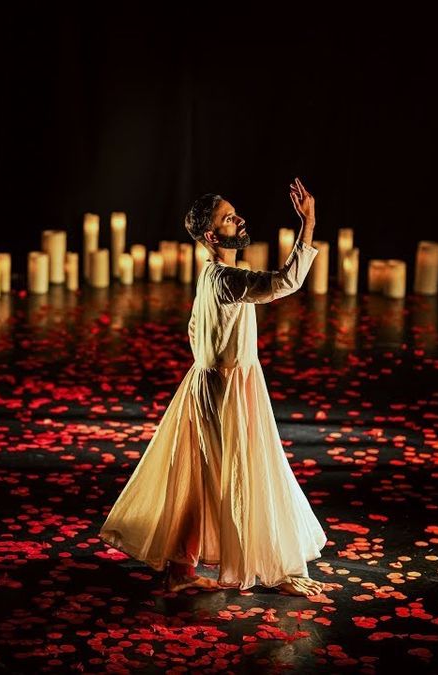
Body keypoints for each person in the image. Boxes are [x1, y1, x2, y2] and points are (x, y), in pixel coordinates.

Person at [99, 178, 328, 595]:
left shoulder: (212, 276)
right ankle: (274, 568)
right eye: (228, 218)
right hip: (227, 387)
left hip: (214, 382)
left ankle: (181, 569)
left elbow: (194, 327)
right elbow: (285, 283)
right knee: (243, 472)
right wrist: (307, 225)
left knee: (207, 477)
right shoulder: (224, 279)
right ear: (211, 236)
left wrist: (209, 363)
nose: (239, 221)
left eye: (235, 215)